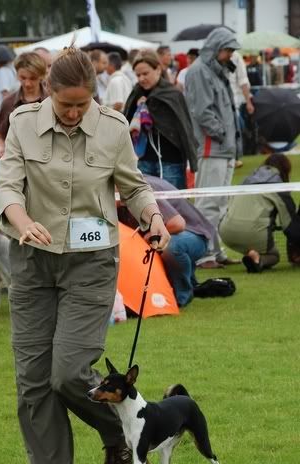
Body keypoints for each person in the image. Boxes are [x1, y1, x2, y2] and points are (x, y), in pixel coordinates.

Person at [0, 46, 170, 464]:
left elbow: (133, 185)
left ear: (94, 94)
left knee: (69, 371)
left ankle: (119, 434)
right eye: (64, 104)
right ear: (47, 90)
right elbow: (7, 185)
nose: (73, 113)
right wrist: (21, 220)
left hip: (91, 263)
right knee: (33, 380)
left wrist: (152, 217)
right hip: (32, 261)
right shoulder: (22, 123)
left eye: (82, 104)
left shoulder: (112, 127)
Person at [185, 27, 241, 268]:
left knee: (219, 203)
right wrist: (221, 133)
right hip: (212, 146)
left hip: (223, 147)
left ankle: (216, 251)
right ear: (216, 48)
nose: (230, 55)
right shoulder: (199, 71)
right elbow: (202, 111)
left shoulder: (215, 71)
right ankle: (204, 254)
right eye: (227, 50)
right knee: (208, 202)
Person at [124, 49, 197, 189]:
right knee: (145, 201)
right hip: (143, 161)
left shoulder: (172, 94)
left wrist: (150, 107)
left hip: (171, 162)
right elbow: (126, 124)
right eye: (138, 75)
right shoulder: (135, 94)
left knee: (174, 201)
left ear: (157, 69)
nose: (141, 78)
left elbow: (185, 128)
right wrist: (138, 110)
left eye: (145, 73)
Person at [219, 154, 298, 273]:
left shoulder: (245, 180)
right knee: (274, 256)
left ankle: (252, 255)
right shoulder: (278, 186)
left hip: (226, 233)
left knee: (250, 241)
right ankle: (258, 259)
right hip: (253, 234)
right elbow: (289, 225)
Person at [144, 175, 215, 307]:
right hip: (181, 233)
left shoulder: (143, 189)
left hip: (195, 234)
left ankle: (182, 296)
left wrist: (149, 235)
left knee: (171, 247)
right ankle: (190, 281)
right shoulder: (133, 183)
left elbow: (177, 224)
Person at [0, 52, 48, 158]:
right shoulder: (8, 103)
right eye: (23, 78)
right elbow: (1, 137)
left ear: (41, 76)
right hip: (17, 161)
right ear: (17, 75)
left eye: (33, 78)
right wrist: (1, 148)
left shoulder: (53, 101)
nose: (27, 83)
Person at [228, 50, 255, 168]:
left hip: (234, 102)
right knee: (237, 130)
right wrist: (248, 102)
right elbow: (243, 81)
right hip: (233, 102)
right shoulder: (236, 57)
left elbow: (243, 81)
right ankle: (233, 157)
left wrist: (248, 102)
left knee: (237, 129)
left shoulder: (235, 57)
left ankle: (233, 157)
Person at [0, 57, 19, 123]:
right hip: (6, 110)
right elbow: (5, 93)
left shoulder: (4, 70)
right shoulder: (6, 71)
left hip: (5, 110)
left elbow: (5, 93)